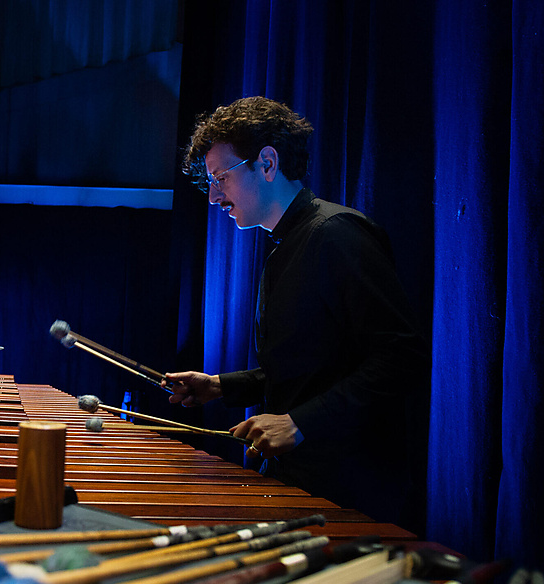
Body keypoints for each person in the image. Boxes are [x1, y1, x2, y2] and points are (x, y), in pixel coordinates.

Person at [164, 97, 429, 530]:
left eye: (221, 178)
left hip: (351, 491)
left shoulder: (337, 235)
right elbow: (312, 368)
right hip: (304, 482)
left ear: (267, 163)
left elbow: (403, 358)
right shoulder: (286, 249)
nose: (213, 196)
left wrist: (300, 423)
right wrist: (219, 386)